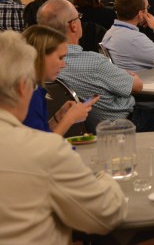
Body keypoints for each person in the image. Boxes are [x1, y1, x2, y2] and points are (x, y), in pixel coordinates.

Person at [0, 31, 126, 244]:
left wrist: (60, 117)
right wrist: (104, 174)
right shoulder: (43, 150)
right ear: (23, 86)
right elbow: (105, 215)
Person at [36, 0, 154, 131]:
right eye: (79, 17)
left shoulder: (38, 65)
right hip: (123, 127)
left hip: (77, 132)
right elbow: (137, 86)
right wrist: (126, 74)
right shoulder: (93, 63)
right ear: (73, 26)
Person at [21, 25, 96, 134]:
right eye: (60, 58)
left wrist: (59, 116)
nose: (63, 65)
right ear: (40, 56)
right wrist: (70, 118)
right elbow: (40, 147)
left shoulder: (35, 88)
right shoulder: (29, 93)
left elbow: (42, 134)